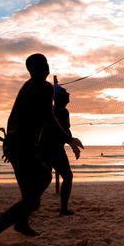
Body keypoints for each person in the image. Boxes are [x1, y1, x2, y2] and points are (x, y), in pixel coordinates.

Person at [0, 54, 82, 246]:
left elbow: (13, 117)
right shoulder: (43, 88)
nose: (47, 66)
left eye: (46, 63)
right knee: (36, 192)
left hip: (18, 145)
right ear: (34, 69)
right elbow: (49, 120)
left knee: (34, 193)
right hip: (22, 146)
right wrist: (69, 139)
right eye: (43, 64)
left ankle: (22, 222)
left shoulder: (27, 86)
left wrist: (8, 144)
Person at [44, 82, 78, 215]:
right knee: (68, 176)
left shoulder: (53, 109)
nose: (68, 94)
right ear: (59, 98)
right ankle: (63, 209)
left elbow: (64, 131)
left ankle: (28, 206)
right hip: (54, 149)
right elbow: (62, 132)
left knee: (44, 179)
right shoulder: (62, 111)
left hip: (45, 148)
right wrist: (73, 144)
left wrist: (72, 143)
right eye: (65, 93)